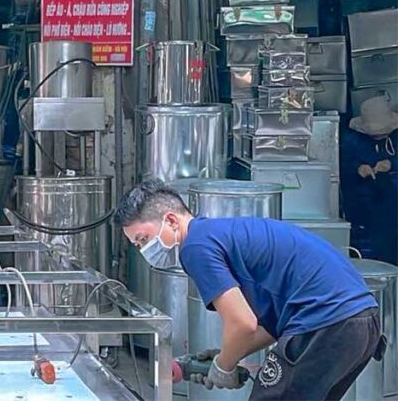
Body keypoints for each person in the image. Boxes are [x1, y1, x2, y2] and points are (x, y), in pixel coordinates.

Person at [114, 181, 385, 400]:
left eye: (144, 239)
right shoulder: (221, 234)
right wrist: (226, 356)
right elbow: (265, 327)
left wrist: (223, 367)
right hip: (361, 323)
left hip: (325, 323)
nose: (144, 251)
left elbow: (242, 323)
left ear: (171, 220)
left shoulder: (196, 246)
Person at [340, 95, 398, 264]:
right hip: (365, 204)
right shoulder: (352, 140)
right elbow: (342, 165)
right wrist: (358, 168)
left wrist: (391, 164)